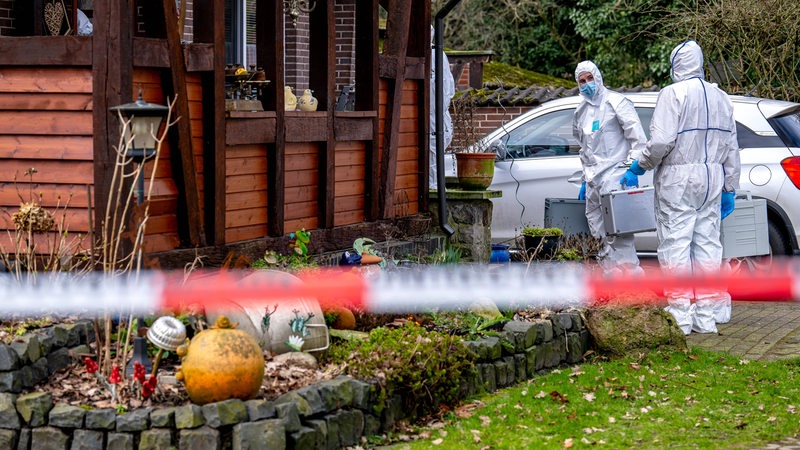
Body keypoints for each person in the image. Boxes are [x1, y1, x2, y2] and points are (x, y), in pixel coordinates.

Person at [620, 40, 739, 334]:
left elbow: (661, 141)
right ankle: (708, 314)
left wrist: (640, 165)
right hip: (712, 179)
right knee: (708, 245)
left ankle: (681, 314)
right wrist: (730, 186)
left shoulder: (673, 94)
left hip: (678, 179)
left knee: (676, 244)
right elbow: (732, 145)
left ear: (676, 65)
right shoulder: (721, 96)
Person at [572, 61, 647, 276]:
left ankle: (631, 282)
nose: (587, 84)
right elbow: (584, 148)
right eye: (582, 81)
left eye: (589, 78)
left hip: (615, 176)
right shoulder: (581, 111)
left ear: (598, 77)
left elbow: (638, 140)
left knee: (620, 233)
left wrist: (631, 169)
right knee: (597, 231)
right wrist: (585, 181)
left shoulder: (617, 103)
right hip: (593, 180)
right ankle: (610, 279)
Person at [429, 26, 455, 189]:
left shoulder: (436, 55)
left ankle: (434, 185)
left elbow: (446, 87)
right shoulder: (436, 55)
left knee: (434, 148)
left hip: (436, 114)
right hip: (435, 114)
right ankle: (433, 184)